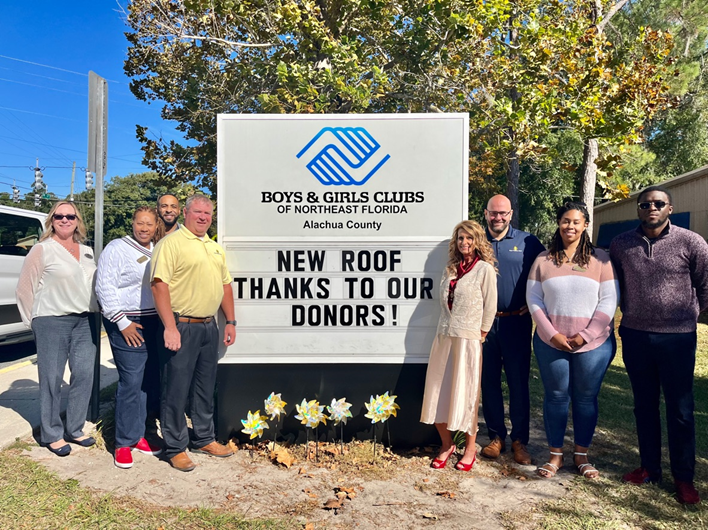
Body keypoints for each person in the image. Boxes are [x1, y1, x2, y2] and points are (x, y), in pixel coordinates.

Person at [610, 185, 708, 505]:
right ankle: (649, 468)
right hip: (636, 335)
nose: (651, 208)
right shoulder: (621, 244)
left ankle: (684, 479)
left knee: (680, 410)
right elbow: (615, 284)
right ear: (638, 209)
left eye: (658, 203)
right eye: (645, 204)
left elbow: (705, 286)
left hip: (677, 338)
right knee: (644, 405)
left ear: (669, 208)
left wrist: (689, 316)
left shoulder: (691, 242)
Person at [526, 201, 618, 479]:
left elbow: (609, 300)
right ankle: (555, 455)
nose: (570, 226)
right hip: (551, 342)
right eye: (566, 220)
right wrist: (552, 333)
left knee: (585, 398)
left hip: (594, 344)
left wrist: (585, 336)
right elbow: (534, 298)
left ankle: (581, 456)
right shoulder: (543, 260)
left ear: (585, 225)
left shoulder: (601, 260)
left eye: (576, 222)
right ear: (559, 223)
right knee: (556, 397)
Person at [150, 194, 237, 471]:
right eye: (198, 212)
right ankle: (175, 447)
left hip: (209, 326)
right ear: (185, 213)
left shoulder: (214, 248)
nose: (203, 217)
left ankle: (203, 438)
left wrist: (230, 321)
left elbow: (225, 285)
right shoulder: (170, 244)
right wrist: (170, 327)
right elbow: (159, 286)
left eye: (207, 214)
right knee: (175, 388)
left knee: (204, 386)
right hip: (181, 325)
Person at [15, 201, 98, 456]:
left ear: (77, 221)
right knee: (51, 378)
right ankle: (51, 433)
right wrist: (34, 322)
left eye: (70, 216)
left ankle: (75, 428)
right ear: (51, 220)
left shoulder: (87, 251)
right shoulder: (42, 249)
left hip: (84, 320)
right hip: (51, 319)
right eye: (59, 216)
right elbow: (24, 288)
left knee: (84, 374)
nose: (64, 220)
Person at [420, 220, 498, 471]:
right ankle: (447, 444)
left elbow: (490, 305)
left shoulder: (484, 269)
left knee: (467, 394)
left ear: (477, 241)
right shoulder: (450, 269)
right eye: (460, 238)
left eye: (469, 238)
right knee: (437, 392)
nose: (464, 242)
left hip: (468, 340)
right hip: (444, 337)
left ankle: (470, 449)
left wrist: (481, 333)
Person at [96, 206, 165, 469]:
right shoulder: (117, 248)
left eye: (149, 224)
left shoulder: (158, 249)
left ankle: (139, 435)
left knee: (148, 382)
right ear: (132, 223)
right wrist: (122, 322)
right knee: (131, 381)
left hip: (153, 321)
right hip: (127, 321)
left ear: (156, 226)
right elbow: (104, 286)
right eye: (140, 223)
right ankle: (123, 442)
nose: (144, 228)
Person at [480, 194, 544, 465]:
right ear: (486, 213)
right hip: (484, 324)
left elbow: (547, 271)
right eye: (493, 212)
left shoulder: (528, 242)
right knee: (489, 382)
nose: (498, 217)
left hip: (516, 322)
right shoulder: (476, 240)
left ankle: (520, 440)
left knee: (518, 383)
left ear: (510, 214)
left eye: (503, 213)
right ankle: (496, 437)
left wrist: (538, 301)